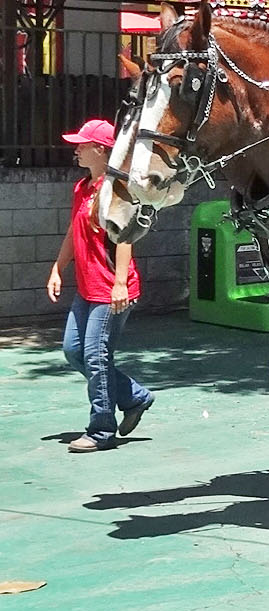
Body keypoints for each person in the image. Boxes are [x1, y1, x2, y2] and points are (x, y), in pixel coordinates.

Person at [46, 119, 154, 453]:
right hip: (87, 287)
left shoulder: (116, 189)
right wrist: (57, 268)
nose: (76, 149)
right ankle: (134, 397)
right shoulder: (82, 188)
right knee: (73, 350)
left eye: (82, 144)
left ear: (100, 150)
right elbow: (72, 232)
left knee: (95, 355)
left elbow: (124, 237)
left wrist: (120, 283)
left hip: (111, 290)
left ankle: (101, 430)